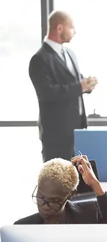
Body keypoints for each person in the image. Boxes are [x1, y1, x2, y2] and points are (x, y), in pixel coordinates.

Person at [29, 10, 98, 162]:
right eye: (72, 27)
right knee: (57, 183)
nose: (75, 32)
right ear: (60, 28)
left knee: (78, 182)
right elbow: (47, 93)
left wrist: (87, 85)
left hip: (77, 131)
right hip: (55, 135)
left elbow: (74, 82)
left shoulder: (70, 53)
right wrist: (80, 86)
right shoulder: (39, 59)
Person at [16, 155, 107, 224]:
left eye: (54, 201)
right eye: (40, 197)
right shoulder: (22, 227)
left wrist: (95, 185)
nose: (45, 206)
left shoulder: (91, 215)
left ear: (71, 194)